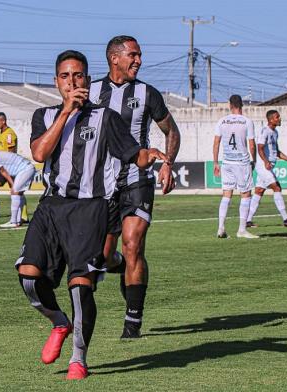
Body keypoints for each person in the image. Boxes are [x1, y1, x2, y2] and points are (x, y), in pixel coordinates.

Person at [15, 50, 168, 380]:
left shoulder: (105, 117)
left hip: (91, 209)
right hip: (52, 207)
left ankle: (78, 358)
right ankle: (59, 322)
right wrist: (66, 113)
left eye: (79, 76)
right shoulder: (43, 115)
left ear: (87, 78)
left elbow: (132, 153)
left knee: (80, 285)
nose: (73, 82)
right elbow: (40, 153)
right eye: (66, 77)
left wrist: (152, 156)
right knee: (28, 276)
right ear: (57, 82)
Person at [89, 35, 181, 338]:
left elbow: (171, 130)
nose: (139, 60)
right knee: (103, 255)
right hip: (101, 184)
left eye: (140, 55)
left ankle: (133, 320)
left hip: (136, 179)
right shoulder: (90, 93)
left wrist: (167, 163)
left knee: (132, 243)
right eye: (133, 55)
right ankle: (120, 266)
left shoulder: (147, 93)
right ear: (114, 58)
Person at [213, 95, 258, 239]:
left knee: (227, 194)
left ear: (230, 105)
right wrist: (254, 160)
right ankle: (242, 230)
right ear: (241, 105)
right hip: (242, 162)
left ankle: (221, 228)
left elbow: (216, 143)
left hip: (227, 162)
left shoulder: (222, 121)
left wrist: (215, 162)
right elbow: (251, 144)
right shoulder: (247, 121)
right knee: (245, 194)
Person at [246, 110, 287, 228]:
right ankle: (286, 219)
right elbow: (260, 148)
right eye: (277, 117)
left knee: (259, 191)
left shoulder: (275, 133)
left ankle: (247, 220)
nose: (279, 118)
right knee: (277, 187)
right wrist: (265, 162)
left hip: (267, 166)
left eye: (279, 116)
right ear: (270, 120)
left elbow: (277, 151)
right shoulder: (265, 131)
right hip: (263, 166)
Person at [0, 149, 36, 228]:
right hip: (28, 167)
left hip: (25, 169)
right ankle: (18, 220)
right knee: (18, 193)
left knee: (14, 192)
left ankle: (13, 221)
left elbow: (2, 170)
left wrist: (12, 184)